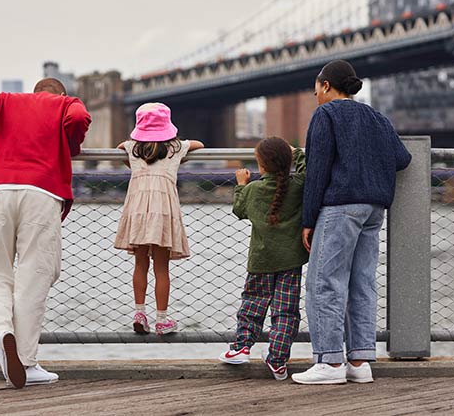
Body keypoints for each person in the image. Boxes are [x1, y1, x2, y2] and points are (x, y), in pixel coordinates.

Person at [291, 60, 412, 385]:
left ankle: (329, 363)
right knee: (361, 283)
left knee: (324, 283)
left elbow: (317, 170)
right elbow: (403, 158)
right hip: (374, 209)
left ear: (327, 85)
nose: (315, 92)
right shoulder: (376, 116)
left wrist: (308, 218)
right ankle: (359, 362)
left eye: (316, 86)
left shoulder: (325, 115)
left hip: (340, 207)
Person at [0, 78, 91, 389]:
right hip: (43, 190)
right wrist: (70, 144)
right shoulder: (65, 104)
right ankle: (25, 361)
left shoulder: (8, 99)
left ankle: (0, 334)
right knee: (34, 275)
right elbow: (78, 119)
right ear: (59, 93)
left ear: (35, 91)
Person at [218, 137, 309, 381]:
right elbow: (307, 168)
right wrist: (296, 152)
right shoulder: (298, 185)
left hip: (261, 260)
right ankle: (278, 359)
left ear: (261, 165)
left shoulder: (252, 190)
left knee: (253, 304)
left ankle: (241, 348)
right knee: (286, 312)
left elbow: (239, 210)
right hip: (291, 261)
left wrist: (240, 184)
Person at [114, 102, 204, 335]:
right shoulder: (175, 148)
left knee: (140, 263)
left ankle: (139, 313)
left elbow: (119, 147)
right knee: (161, 268)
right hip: (164, 210)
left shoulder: (132, 148)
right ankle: (162, 319)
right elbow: (199, 144)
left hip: (138, 209)